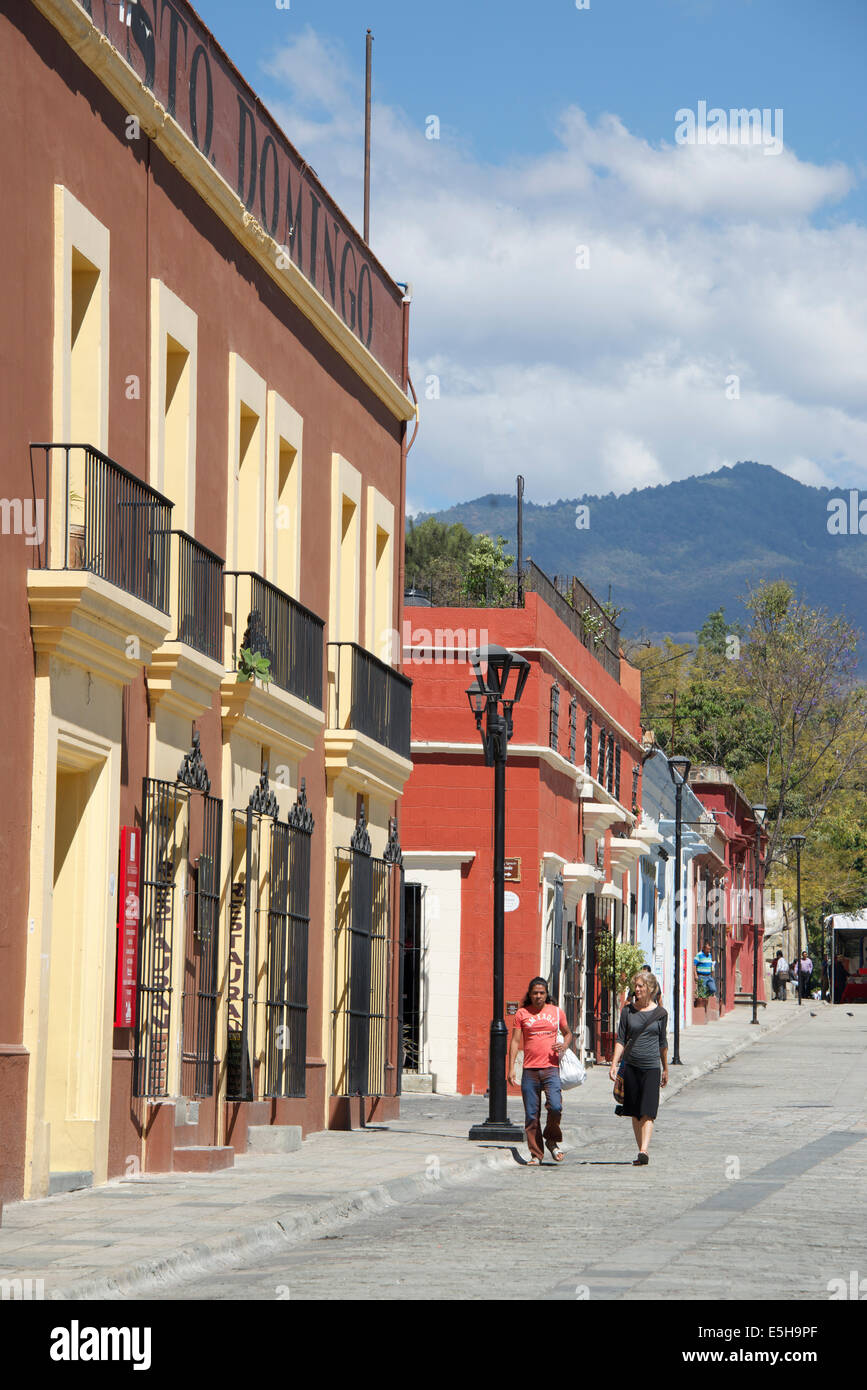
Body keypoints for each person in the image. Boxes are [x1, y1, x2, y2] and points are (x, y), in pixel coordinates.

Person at [508, 978, 572, 1165]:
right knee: (531, 1115)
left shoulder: (556, 1011)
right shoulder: (522, 1013)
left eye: (541, 993)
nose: (538, 996)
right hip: (530, 1070)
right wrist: (511, 1068)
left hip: (551, 1068)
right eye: (535, 993)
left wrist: (564, 1045)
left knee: (555, 1107)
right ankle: (536, 1154)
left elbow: (568, 1033)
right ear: (530, 994)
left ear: (546, 994)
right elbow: (514, 1041)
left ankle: (551, 1139)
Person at [608, 972, 668, 1166]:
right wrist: (614, 1063)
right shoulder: (627, 1012)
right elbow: (621, 1039)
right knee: (634, 1111)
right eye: (636, 986)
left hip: (651, 1067)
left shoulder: (660, 1014)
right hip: (631, 1066)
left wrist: (665, 1068)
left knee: (648, 1111)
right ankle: (640, 1148)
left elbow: (662, 1043)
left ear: (650, 989)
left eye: (641, 986)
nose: (638, 989)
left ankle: (644, 1150)